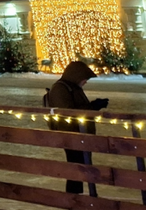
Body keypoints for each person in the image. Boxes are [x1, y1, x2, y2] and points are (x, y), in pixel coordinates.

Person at [46, 61, 108, 194]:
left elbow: (79, 108)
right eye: (84, 78)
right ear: (76, 76)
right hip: (71, 135)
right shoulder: (60, 89)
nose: (85, 82)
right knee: (76, 168)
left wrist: (93, 106)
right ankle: (74, 197)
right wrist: (93, 106)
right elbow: (68, 112)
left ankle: (81, 196)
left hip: (81, 134)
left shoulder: (73, 88)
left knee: (82, 166)